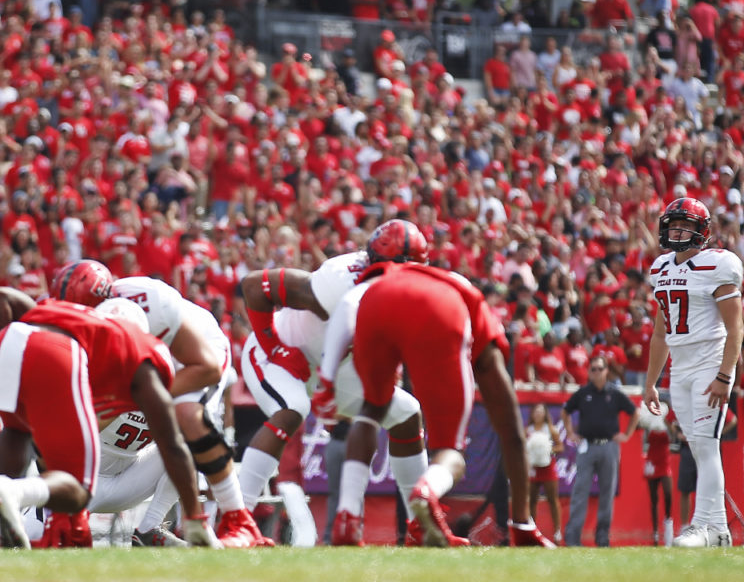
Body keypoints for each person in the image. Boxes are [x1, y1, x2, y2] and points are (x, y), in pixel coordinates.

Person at [316, 258, 556, 548]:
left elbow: (347, 307)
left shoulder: (378, 275)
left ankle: (348, 517)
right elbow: (513, 434)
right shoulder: (459, 289)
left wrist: (326, 379)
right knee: (450, 451)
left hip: (375, 303)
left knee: (372, 408)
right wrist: (522, 523)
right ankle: (426, 492)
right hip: (441, 310)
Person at [50, 260, 270, 548]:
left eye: (86, 316)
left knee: (187, 418)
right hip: (92, 477)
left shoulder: (148, 304)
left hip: (192, 353)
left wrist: (141, 398)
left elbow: (207, 367)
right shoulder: (64, 327)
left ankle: (235, 519)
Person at [0, 290, 219, 549]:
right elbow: (171, 444)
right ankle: (14, 493)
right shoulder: (139, 350)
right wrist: (195, 517)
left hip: (6, 347)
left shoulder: (67, 316)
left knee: (17, 431)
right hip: (82, 468)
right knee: (77, 488)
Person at [238, 220, 428, 547]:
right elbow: (256, 285)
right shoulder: (338, 281)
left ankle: (420, 525)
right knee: (292, 407)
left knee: (407, 413)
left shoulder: (405, 294)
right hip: (281, 354)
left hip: (334, 369)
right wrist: (275, 347)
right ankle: (237, 519)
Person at [643, 197, 744, 548]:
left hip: (708, 363)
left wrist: (724, 376)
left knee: (705, 444)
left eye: (685, 225)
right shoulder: (660, 268)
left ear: (702, 232)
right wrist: (651, 382)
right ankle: (717, 529)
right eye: (673, 224)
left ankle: (701, 526)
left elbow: (737, 328)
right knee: (698, 448)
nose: (677, 231)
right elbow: (660, 332)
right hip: (679, 369)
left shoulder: (718, 265)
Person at [562, 355, 639, 547]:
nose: (595, 372)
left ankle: (602, 537)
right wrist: (570, 432)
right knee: (580, 491)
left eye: (599, 369)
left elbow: (635, 411)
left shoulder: (614, 393)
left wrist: (627, 434)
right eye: (592, 369)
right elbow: (566, 410)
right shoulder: (583, 393)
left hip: (609, 447)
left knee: (607, 492)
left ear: (606, 371)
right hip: (587, 446)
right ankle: (573, 537)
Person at [525, 403, 563, 543]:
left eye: (541, 412)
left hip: (548, 468)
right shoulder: (527, 430)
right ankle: (532, 530)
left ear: (545, 414)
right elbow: (523, 447)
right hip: (533, 469)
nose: (538, 414)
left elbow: (560, 447)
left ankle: (557, 532)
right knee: (532, 500)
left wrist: (548, 449)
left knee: (552, 499)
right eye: (536, 411)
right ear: (532, 414)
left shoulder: (551, 430)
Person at [637, 401, 673, 546]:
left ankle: (668, 527)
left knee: (668, 494)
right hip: (652, 460)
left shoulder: (667, 419)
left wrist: (667, 421)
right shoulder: (648, 420)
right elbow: (639, 425)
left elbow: (673, 435)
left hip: (664, 461)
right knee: (654, 499)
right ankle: (656, 534)